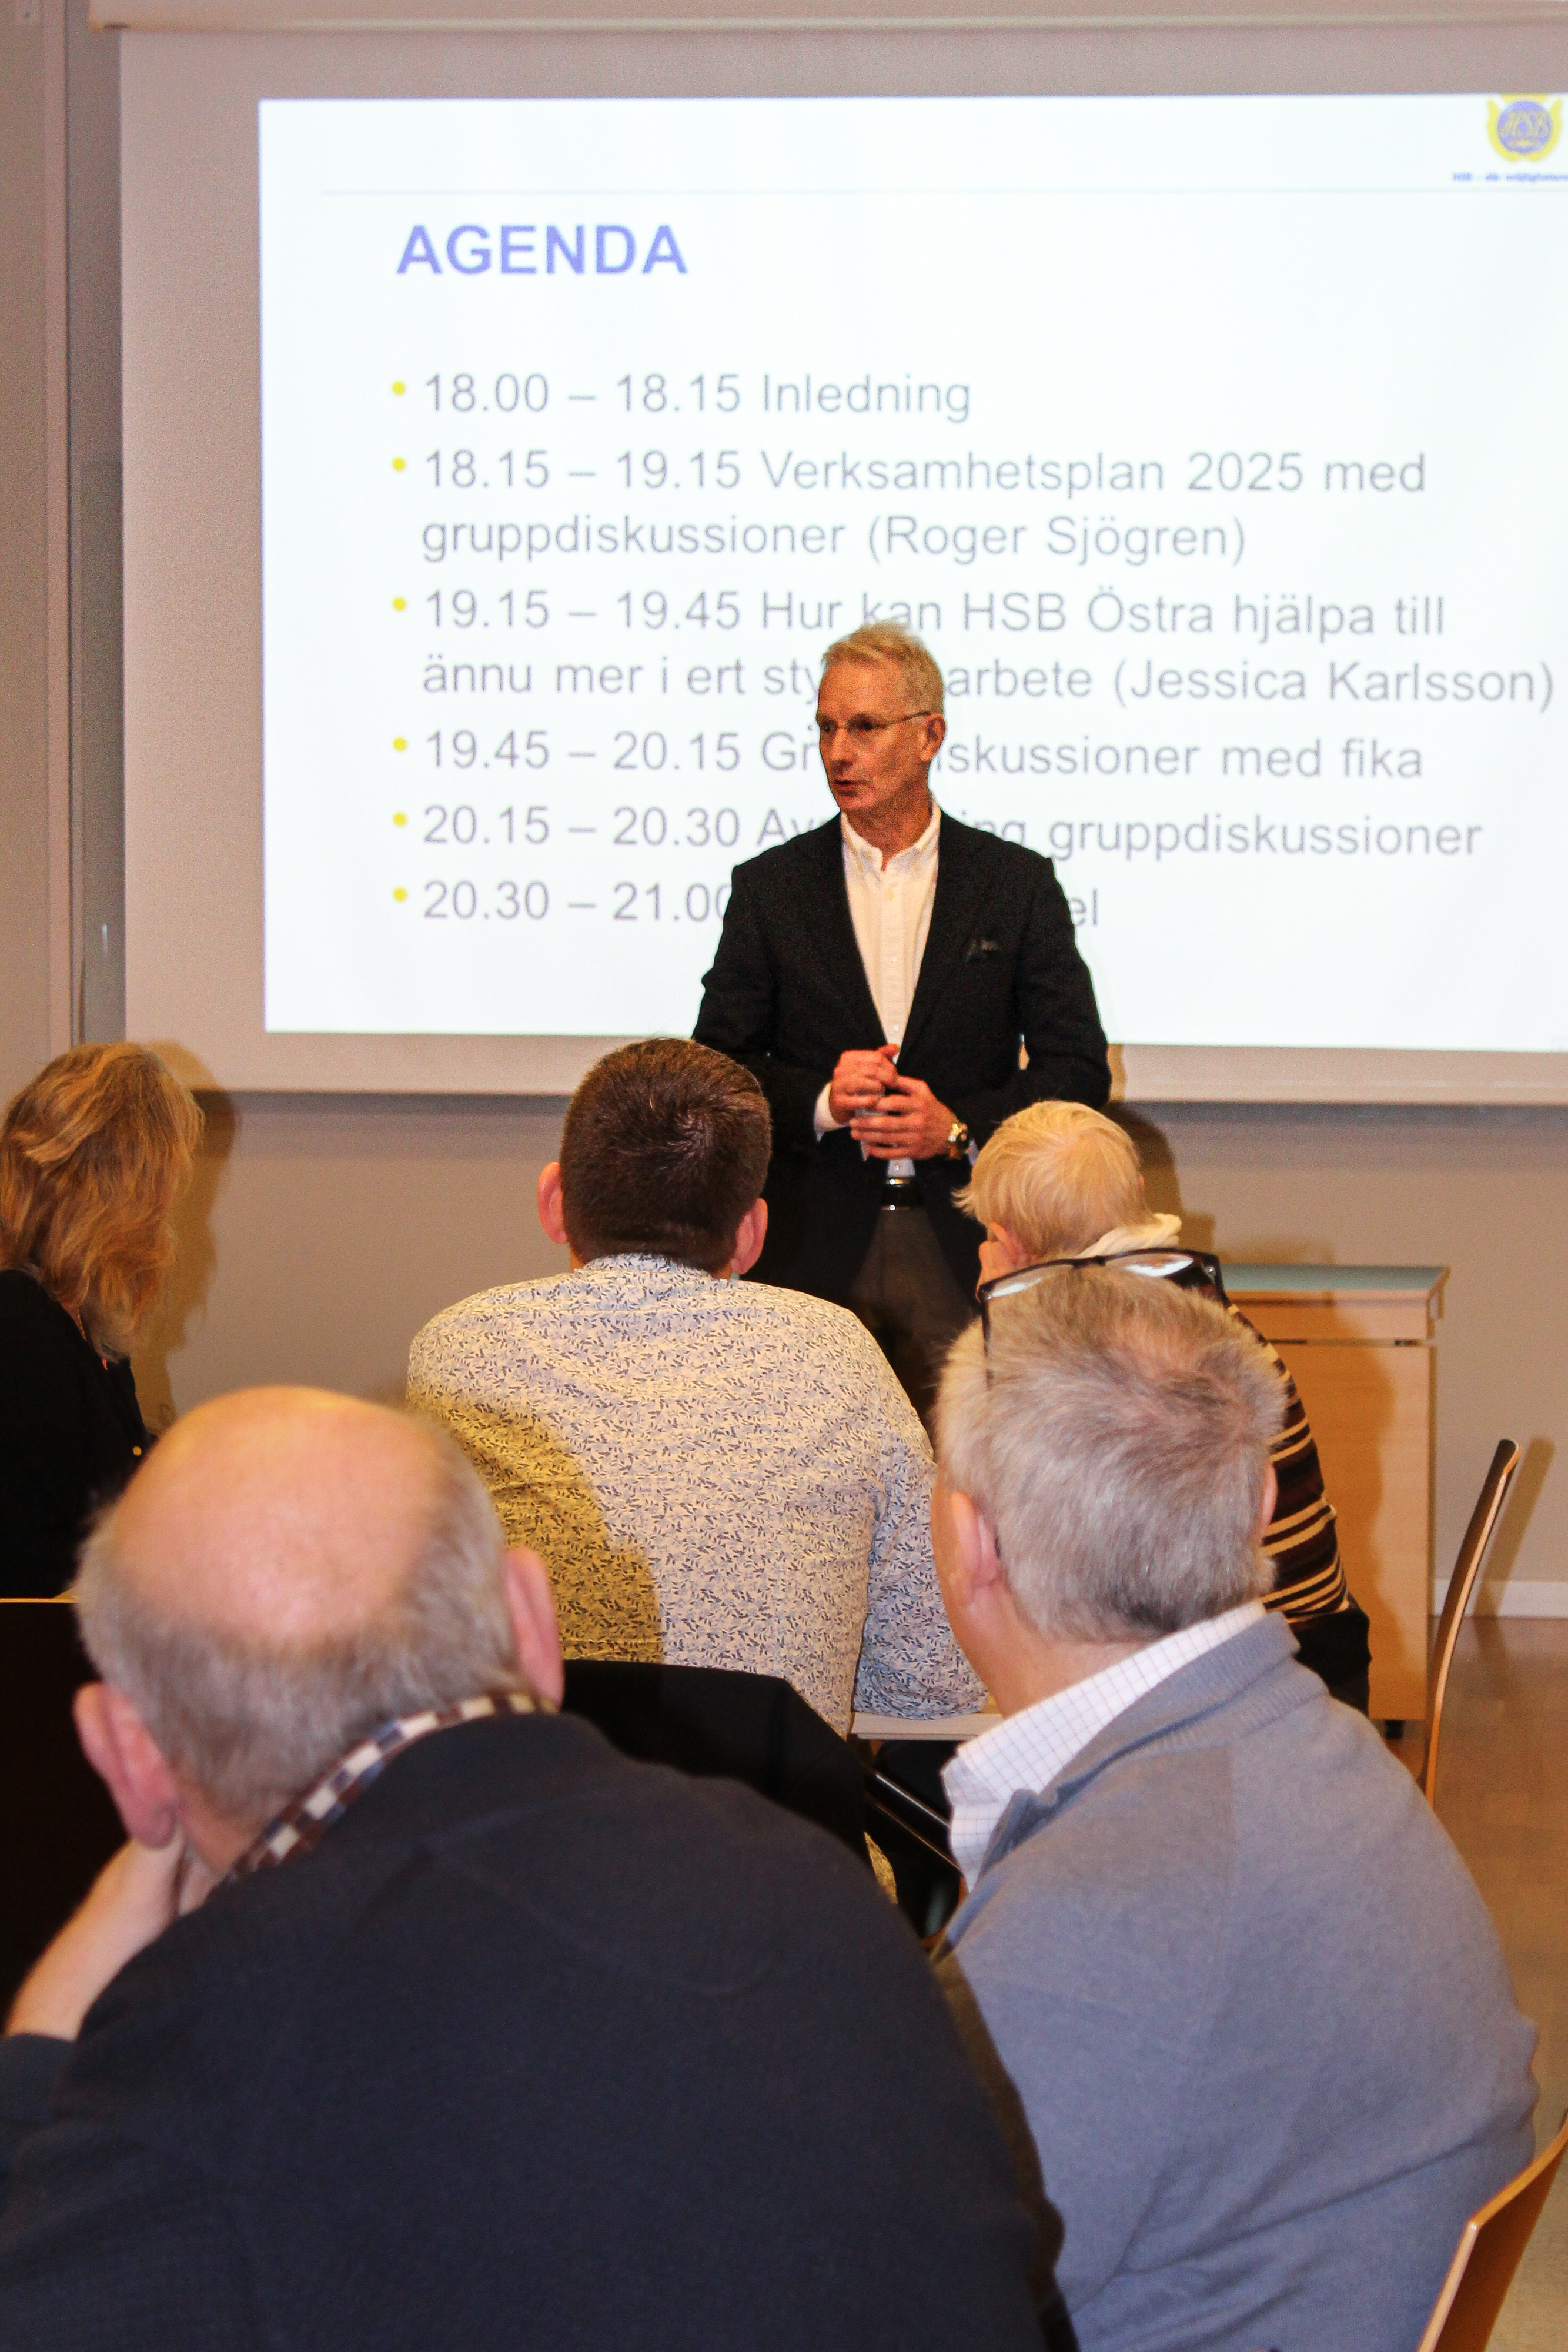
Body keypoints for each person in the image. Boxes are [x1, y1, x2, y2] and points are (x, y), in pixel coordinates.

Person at [0, 1387, 1057, 2352]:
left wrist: (40, 2066)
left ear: (128, 1754)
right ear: (533, 1625)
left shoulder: (202, 2062)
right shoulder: (821, 1896)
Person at [929, 1267, 1538, 2352]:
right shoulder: (1327, 1756)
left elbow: (887, 2298)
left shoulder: (1097, 1913)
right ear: (1262, 1505)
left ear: (971, 1543)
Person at [409, 1037, 980, 1735]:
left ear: (554, 1200)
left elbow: (419, 1647)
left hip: (527, 1795)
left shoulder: (459, 1350)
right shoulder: (836, 1352)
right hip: (775, 1801)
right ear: (751, 1233)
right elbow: (930, 1677)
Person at [694, 622, 1109, 1419]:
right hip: (813, 1251)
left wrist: (957, 1128)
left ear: (929, 736)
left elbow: (1077, 1071)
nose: (838, 752)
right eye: (825, 728)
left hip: (966, 1242)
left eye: (863, 727)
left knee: (967, 1473)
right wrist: (823, 1100)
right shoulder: (770, 889)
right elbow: (717, 1070)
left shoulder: (1013, 886)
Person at [960, 1097, 1373, 1710]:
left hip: (1235, 1685)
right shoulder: (1188, 1299)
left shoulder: (1092, 1355)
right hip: (1312, 1658)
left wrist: (1000, 1305)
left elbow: (1027, 1539)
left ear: (1010, 1244)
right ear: (1138, 1195)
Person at [0, 1043, 202, 1596]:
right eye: (163, 1183)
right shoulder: (21, 1328)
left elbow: (115, 1476)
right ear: (123, 1191)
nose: (167, 1209)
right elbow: (40, 1571)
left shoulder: (84, 1322)